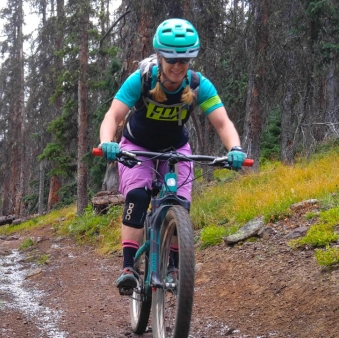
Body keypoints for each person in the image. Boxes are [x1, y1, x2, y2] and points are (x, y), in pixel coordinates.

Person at [98, 18, 246, 295]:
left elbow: (223, 123)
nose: (178, 66)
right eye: (172, 59)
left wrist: (234, 148)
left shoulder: (197, 85)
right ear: (160, 56)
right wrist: (107, 142)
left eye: (185, 60)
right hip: (136, 146)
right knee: (139, 197)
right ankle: (129, 267)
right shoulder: (141, 79)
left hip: (175, 149)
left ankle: (177, 266)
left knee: (180, 204)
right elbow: (113, 115)